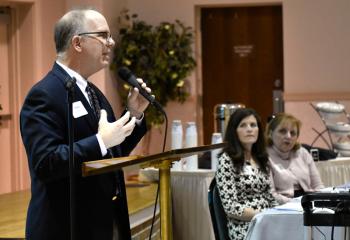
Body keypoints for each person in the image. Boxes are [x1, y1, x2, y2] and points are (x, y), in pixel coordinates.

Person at [20, 8, 152, 240]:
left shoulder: (92, 92)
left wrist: (134, 114)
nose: (110, 43)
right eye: (103, 35)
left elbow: (113, 152)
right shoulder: (44, 94)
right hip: (66, 227)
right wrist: (101, 140)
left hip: (103, 222)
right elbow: (46, 163)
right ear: (77, 43)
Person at [215, 108, 277, 240]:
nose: (249, 129)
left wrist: (278, 215)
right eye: (243, 125)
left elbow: (270, 197)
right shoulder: (227, 160)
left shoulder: (261, 158)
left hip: (267, 222)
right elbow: (231, 207)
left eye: (253, 125)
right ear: (234, 131)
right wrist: (262, 215)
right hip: (244, 227)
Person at [266, 113, 324, 204]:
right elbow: (270, 195)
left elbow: (318, 186)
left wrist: (319, 201)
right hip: (283, 206)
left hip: (309, 202)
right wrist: (297, 203)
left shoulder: (302, 153)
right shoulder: (265, 157)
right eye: (282, 131)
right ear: (270, 133)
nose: (288, 136)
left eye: (293, 133)